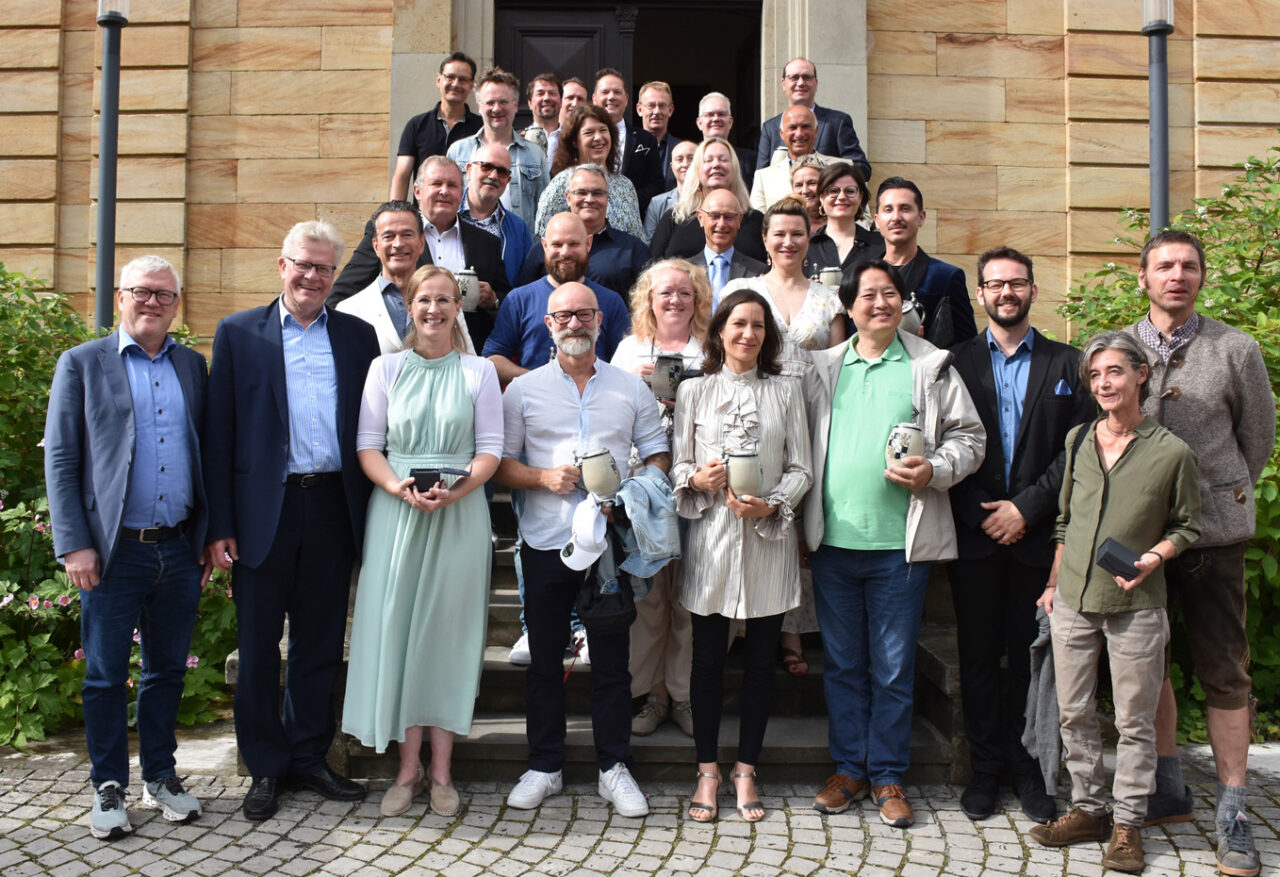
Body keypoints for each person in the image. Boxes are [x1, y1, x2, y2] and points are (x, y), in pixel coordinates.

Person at [204, 221, 380, 822]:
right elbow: (218, 435)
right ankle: (266, 766)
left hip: (333, 506)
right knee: (257, 646)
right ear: (282, 266)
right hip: (263, 512)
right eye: (303, 265)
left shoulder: (358, 338)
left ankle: (308, 755)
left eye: (324, 269)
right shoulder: (238, 334)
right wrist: (219, 523)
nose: (312, 277)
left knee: (320, 642)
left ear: (336, 275)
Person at [805, 260, 984, 828]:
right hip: (833, 542)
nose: (879, 303)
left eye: (890, 294)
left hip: (899, 548)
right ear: (849, 307)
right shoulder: (822, 368)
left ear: (904, 304)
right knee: (842, 664)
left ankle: (886, 775)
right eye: (867, 295)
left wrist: (934, 468)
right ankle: (847, 770)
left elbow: (970, 437)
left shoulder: (929, 366)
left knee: (890, 666)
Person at [1125, 230, 1274, 877]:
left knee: (1224, 668)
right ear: (1143, 277)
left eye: (1188, 266)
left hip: (1214, 534)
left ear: (1202, 277)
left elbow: (1257, 439)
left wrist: (1221, 496)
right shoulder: (1118, 349)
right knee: (1144, 662)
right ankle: (1166, 787)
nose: (1176, 275)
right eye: (1164, 266)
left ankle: (1234, 806)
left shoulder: (1235, 349)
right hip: (1136, 538)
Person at [45, 255, 209, 840]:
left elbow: (206, 457)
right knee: (105, 675)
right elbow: (62, 461)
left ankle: (160, 777)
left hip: (177, 548)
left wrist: (206, 539)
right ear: (119, 297)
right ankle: (108, 784)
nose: (153, 303)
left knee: (166, 672)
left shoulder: (192, 365)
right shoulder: (82, 364)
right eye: (142, 292)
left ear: (177, 305)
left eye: (165, 296)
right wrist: (75, 545)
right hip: (112, 553)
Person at [1029, 331, 1201, 875]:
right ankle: (1088, 809)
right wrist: (1054, 584)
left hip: (1137, 603)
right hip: (1074, 598)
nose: (1104, 384)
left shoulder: (1171, 451)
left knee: (1134, 720)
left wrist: (1154, 556)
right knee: (1074, 712)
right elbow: (1064, 522)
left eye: (1115, 372)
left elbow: (1189, 525)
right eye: (1096, 375)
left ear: (1140, 375)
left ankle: (1127, 823)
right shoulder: (1079, 439)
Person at [497, 281, 670, 817]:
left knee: (614, 663)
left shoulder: (630, 388)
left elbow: (659, 454)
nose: (574, 323)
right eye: (563, 315)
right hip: (546, 540)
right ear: (547, 325)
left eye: (584, 314)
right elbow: (500, 464)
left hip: (608, 545)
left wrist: (631, 493)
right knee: (546, 660)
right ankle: (544, 765)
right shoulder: (521, 392)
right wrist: (544, 477)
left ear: (600, 321)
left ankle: (612, 767)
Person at [342, 266, 504, 818]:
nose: (434, 309)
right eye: (424, 300)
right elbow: (367, 446)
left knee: (447, 639)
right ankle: (405, 771)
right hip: (397, 509)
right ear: (409, 306)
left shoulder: (479, 371)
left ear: (458, 307)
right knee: (399, 633)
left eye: (444, 300)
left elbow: (490, 450)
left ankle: (441, 772)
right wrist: (398, 487)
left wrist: (455, 492)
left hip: (458, 512)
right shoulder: (384, 369)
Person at [947, 247, 1094, 824]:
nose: (1005, 293)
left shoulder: (1068, 364)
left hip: (1038, 539)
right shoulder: (952, 363)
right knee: (978, 656)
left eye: (1016, 283)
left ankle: (1030, 769)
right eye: (994, 284)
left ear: (1034, 290)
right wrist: (982, 511)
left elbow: (1077, 448)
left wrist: (1025, 509)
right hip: (976, 535)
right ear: (980, 294)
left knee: (1032, 658)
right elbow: (938, 444)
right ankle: (985, 771)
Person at [672, 288, 814, 823]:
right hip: (711, 542)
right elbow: (677, 466)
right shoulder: (694, 392)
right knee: (707, 664)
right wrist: (696, 477)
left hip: (767, 542)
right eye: (738, 324)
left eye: (757, 325)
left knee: (760, 666)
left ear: (767, 336)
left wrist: (772, 504)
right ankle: (707, 771)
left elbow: (802, 468)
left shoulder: (786, 391)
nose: (748, 334)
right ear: (720, 332)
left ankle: (746, 770)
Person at [721, 194, 844, 675]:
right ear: (765, 238)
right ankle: (737, 621)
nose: (788, 241)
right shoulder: (744, 286)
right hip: (755, 411)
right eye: (779, 233)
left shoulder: (828, 297)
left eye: (797, 232)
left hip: (813, 413)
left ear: (810, 236)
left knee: (794, 518)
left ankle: (792, 629)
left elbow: (837, 367)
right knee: (750, 506)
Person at [610, 259, 714, 739]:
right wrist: (639, 384)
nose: (674, 300)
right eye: (664, 293)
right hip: (643, 488)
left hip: (698, 487)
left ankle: (686, 695)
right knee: (649, 595)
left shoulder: (712, 349)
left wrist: (685, 391)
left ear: (697, 300)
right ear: (647, 301)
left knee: (690, 597)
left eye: (684, 293)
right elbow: (609, 414)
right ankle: (651, 693)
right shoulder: (629, 349)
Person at [331, 157, 511, 352]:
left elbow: (506, 298)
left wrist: (493, 300)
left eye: (452, 185)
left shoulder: (487, 242)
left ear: (461, 194)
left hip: (465, 353)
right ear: (417, 191)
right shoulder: (387, 233)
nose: (444, 191)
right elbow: (342, 294)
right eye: (436, 184)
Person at [483, 212, 631, 385]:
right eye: (557, 244)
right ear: (544, 245)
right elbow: (492, 358)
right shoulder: (519, 300)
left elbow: (626, 362)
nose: (565, 252)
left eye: (574, 244)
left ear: (588, 243)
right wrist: (538, 380)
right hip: (537, 403)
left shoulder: (611, 301)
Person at [337, 199, 473, 354]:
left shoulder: (447, 303)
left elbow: (470, 364)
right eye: (388, 236)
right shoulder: (350, 310)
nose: (398, 244)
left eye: (407, 234)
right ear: (376, 246)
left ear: (422, 243)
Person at [874, 176, 977, 346]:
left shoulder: (947, 277)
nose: (896, 217)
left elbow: (966, 344)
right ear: (877, 220)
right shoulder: (863, 276)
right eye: (888, 210)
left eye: (905, 209)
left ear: (921, 217)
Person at [517, 164, 650, 293]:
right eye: (581, 192)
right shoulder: (546, 249)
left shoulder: (633, 249)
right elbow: (526, 299)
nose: (589, 199)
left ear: (607, 198)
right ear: (568, 198)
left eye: (598, 193)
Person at [447, 68, 548, 228]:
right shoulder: (458, 151)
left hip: (518, 248)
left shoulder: (535, 155)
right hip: (467, 246)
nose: (496, 109)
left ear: (515, 105)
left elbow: (545, 212)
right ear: (479, 107)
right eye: (490, 102)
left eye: (503, 102)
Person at [535, 104, 646, 241]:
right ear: (575, 141)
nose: (598, 137)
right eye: (589, 132)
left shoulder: (625, 185)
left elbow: (637, 237)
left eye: (603, 130)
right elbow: (543, 237)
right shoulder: (560, 184)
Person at [650, 137, 766, 264]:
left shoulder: (755, 220)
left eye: (723, 159)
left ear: (734, 169)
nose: (716, 165)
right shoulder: (675, 218)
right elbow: (653, 268)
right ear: (697, 170)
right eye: (708, 160)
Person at [756, 57, 870, 180]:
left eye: (807, 77)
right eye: (794, 78)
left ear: (816, 83)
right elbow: (761, 176)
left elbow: (861, 169)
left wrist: (822, 172)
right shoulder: (771, 127)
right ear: (783, 83)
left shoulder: (837, 122)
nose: (800, 83)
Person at [391, 51, 482, 201]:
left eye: (463, 79)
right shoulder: (416, 125)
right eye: (450, 77)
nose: (456, 84)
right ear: (438, 80)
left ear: (472, 85)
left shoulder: (481, 128)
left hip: (466, 219)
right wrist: (395, 215)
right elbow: (402, 175)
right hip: (423, 218)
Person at [458, 143, 535, 288]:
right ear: (469, 170)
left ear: (508, 180)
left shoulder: (519, 230)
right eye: (486, 166)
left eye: (502, 171)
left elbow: (526, 287)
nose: (493, 176)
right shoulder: (446, 216)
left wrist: (495, 301)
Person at [593, 67, 665, 215]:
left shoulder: (646, 140)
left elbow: (656, 185)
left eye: (617, 92)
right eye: (605, 92)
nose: (611, 97)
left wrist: (625, 202)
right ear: (594, 99)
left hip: (631, 220)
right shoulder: (580, 138)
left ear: (626, 99)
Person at [686, 187, 767, 307]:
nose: (722, 224)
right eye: (714, 216)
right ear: (700, 217)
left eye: (729, 216)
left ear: (739, 220)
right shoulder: (685, 271)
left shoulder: (758, 272)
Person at [807, 162, 884, 282]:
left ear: (860, 197)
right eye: (833, 191)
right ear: (821, 198)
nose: (842, 197)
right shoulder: (806, 247)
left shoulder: (881, 245)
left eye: (850, 191)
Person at [749, 106, 834, 212]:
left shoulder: (839, 168)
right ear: (781, 133)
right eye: (792, 127)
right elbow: (757, 222)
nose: (799, 134)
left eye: (805, 126)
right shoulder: (763, 177)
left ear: (816, 131)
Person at [695, 91, 756, 189]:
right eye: (710, 115)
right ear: (699, 123)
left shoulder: (752, 160)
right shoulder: (688, 158)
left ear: (730, 122)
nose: (715, 119)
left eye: (721, 114)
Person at [644, 139, 697, 241]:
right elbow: (648, 243)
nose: (685, 164)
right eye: (679, 159)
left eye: (691, 158)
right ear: (672, 167)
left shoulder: (710, 200)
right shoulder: (657, 204)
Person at [636, 80, 681, 189]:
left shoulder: (680, 149)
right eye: (651, 105)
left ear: (670, 110)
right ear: (639, 109)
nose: (656, 112)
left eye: (662, 106)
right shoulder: (629, 146)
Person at [521, 73, 562, 154]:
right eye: (540, 93)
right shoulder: (518, 140)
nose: (546, 98)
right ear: (530, 103)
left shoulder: (574, 140)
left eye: (552, 93)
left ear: (561, 101)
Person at [789, 155, 828, 235]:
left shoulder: (840, 221)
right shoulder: (785, 223)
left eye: (812, 183)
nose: (805, 191)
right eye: (799, 185)